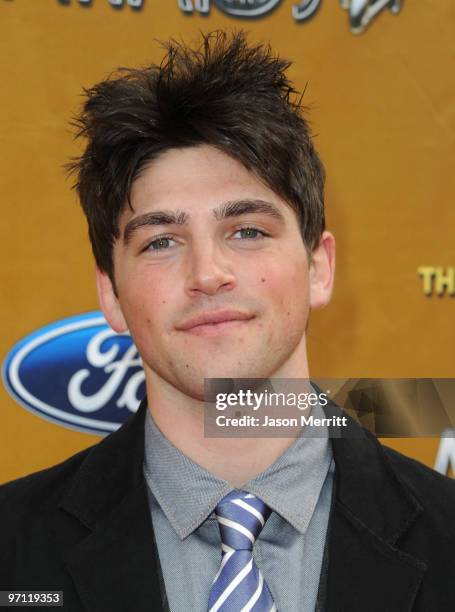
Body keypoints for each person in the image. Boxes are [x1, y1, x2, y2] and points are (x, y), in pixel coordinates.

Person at [0, 30, 454, 612]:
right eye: (162, 240)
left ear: (320, 266)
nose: (207, 272)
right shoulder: (12, 554)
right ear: (110, 293)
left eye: (247, 231)